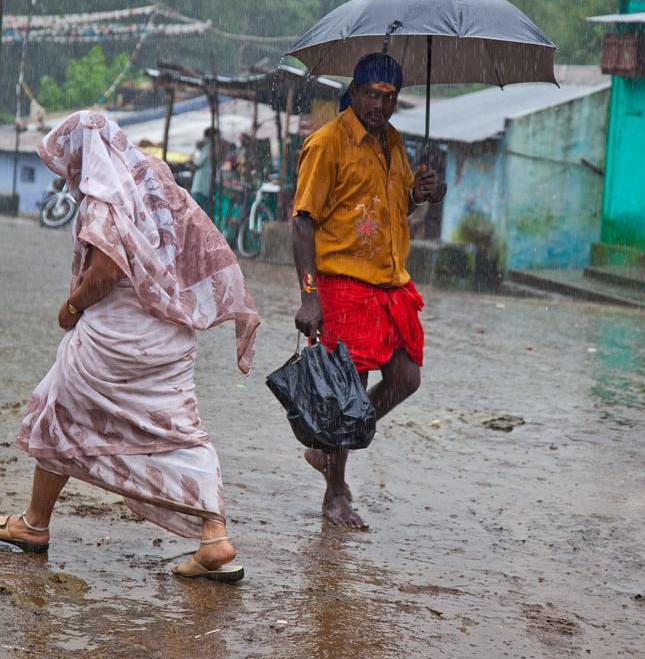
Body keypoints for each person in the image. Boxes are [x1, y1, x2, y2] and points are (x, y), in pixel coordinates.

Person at [0, 110, 260, 583]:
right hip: (171, 336)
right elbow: (198, 248)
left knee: (58, 406)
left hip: (116, 341)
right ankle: (213, 535)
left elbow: (105, 272)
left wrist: (71, 307)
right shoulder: (157, 180)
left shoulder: (104, 198)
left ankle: (35, 524)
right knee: (180, 429)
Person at [292, 53, 445, 529]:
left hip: (389, 282)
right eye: (372, 95)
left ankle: (329, 444)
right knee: (348, 390)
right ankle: (335, 492)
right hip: (342, 284)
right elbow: (302, 222)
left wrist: (418, 194)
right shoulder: (326, 143)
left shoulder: (393, 142)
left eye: (390, 97)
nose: (380, 105)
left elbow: (394, 207)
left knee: (406, 378)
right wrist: (309, 295)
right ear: (354, 92)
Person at [190, 127, 215, 216]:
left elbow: (197, 163)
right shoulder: (209, 146)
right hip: (202, 187)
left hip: (201, 187)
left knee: (196, 214)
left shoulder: (209, 146)